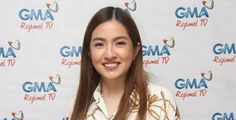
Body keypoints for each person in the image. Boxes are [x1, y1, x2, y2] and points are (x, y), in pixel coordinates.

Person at [66, 6, 180, 120]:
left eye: (120, 43)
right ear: (89, 52)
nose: (109, 54)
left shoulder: (161, 100)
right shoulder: (76, 106)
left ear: (135, 50)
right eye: (99, 44)